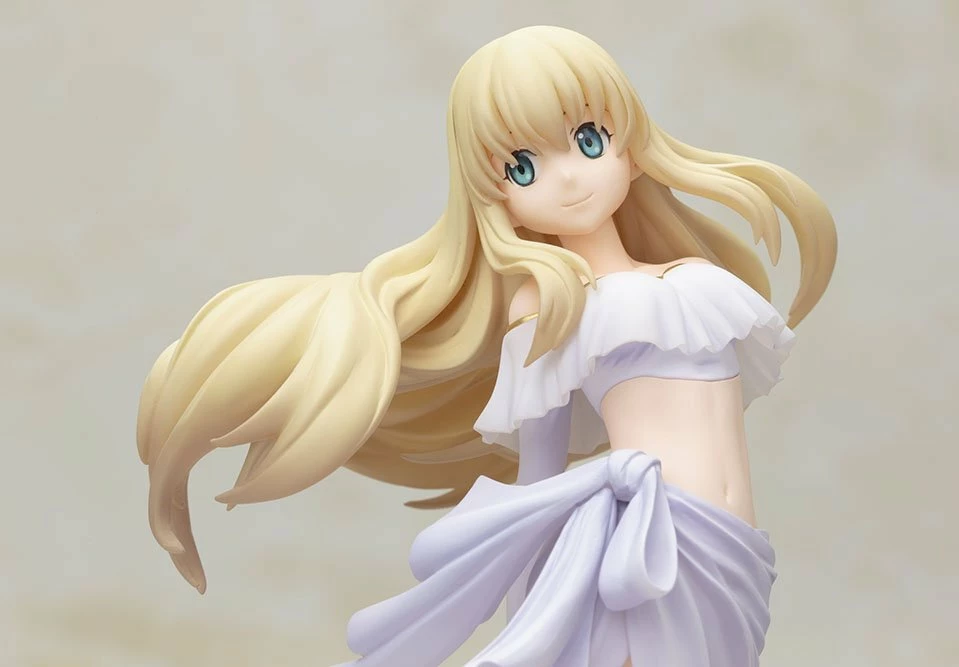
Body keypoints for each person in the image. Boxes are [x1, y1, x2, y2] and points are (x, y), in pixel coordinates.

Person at [136, 25, 837, 667]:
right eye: (523, 166)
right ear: (493, 193)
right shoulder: (553, 304)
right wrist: (535, 615)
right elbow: (538, 476)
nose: (569, 176)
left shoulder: (697, 282)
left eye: (588, 138)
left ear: (629, 143)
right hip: (641, 553)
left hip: (737, 554)